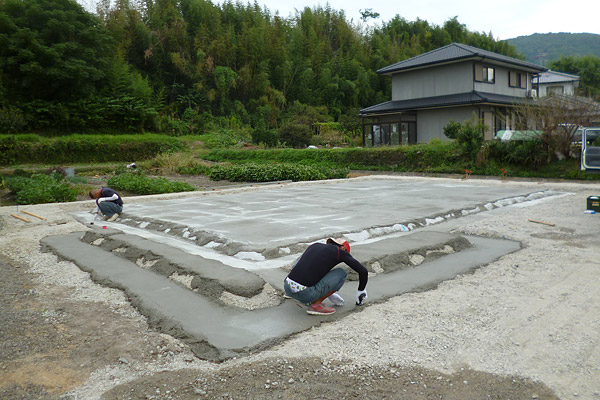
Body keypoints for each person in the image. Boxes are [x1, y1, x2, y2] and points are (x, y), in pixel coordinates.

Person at [284, 238, 368, 316]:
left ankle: (291, 293)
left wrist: (330, 294)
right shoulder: (340, 252)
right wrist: (361, 290)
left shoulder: (315, 245)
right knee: (341, 273)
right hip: (305, 294)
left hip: (287, 287)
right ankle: (316, 305)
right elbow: (363, 271)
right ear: (343, 248)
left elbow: (299, 266)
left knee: (306, 261)